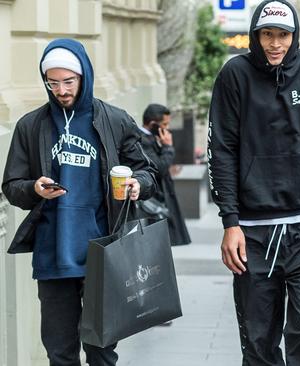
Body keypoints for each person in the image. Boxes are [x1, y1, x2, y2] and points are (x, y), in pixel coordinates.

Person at [207, 1, 300, 365]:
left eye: (283, 35)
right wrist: (230, 223)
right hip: (253, 231)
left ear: (294, 35)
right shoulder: (234, 75)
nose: (275, 43)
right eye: (267, 34)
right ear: (256, 36)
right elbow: (221, 150)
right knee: (258, 342)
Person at [1, 39, 157, 365]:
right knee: (59, 353)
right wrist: (34, 188)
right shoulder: (31, 126)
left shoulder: (115, 120)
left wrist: (136, 185)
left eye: (68, 81)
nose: (61, 90)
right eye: (53, 82)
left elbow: (148, 173)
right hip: (53, 251)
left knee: (102, 350)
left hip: (103, 250)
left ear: (84, 76)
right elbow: (12, 186)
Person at [138, 103, 191, 246]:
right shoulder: (142, 140)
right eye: (164, 124)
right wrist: (167, 147)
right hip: (152, 201)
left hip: (160, 197)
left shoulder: (151, 138)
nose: (167, 128)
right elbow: (158, 168)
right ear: (153, 124)